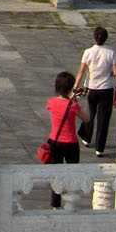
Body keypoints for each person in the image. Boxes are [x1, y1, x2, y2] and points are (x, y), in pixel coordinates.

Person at [44, 71, 87, 208]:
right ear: (71, 88)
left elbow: (58, 106)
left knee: (56, 174)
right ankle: (71, 201)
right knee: (72, 173)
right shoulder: (73, 105)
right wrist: (75, 101)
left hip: (54, 142)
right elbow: (87, 119)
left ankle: (55, 204)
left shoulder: (51, 102)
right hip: (71, 143)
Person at [77, 26, 116, 156]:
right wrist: (109, 74)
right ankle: (100, 148)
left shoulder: (88, 52)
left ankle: (86, 137)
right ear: (106, 38)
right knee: (104, 119)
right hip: (106, 89)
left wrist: (75, 86)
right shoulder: (111, 53)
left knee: (90, 114)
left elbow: (81, 71)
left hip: (92, 88)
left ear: (94, 37)